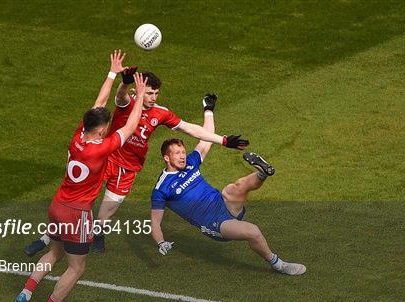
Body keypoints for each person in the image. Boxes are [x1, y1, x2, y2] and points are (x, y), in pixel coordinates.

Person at [24, 70, 249, 256]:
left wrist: (224, 140)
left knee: (109, 207)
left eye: (156, 93)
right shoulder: (128, 102)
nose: (153, 97)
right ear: (140, 91)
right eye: (149, 93)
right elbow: (120, 97)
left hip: (130, 167)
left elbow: (190, 128)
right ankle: (45, 238)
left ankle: (99, 232)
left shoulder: (161, 113)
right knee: (81, 200)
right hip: (106, 159)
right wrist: (124, 82)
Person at [14, 51, 149, 302]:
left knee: (54, 253)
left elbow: (98, 104)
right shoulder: (101, 148)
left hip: (57, 205)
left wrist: (112, 73)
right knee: (77, 268)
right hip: (77, 213)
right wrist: (136, 95)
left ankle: (25, 294)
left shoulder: (78, 137)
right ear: (100, 132)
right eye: (105, 128)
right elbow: (131, 125)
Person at [150, 94, 306, 275]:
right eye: (177, 153)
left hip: (224, 204)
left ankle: (262, 173)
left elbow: (206, 138)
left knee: (233, 189)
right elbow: (155, 221)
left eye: (183, 151)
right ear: (166, 158)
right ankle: (279, 264)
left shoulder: (191, 162)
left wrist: (208, 110)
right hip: (214, 223)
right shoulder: (162, 188)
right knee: (253, 231)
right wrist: (161, 242)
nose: (183, 155)